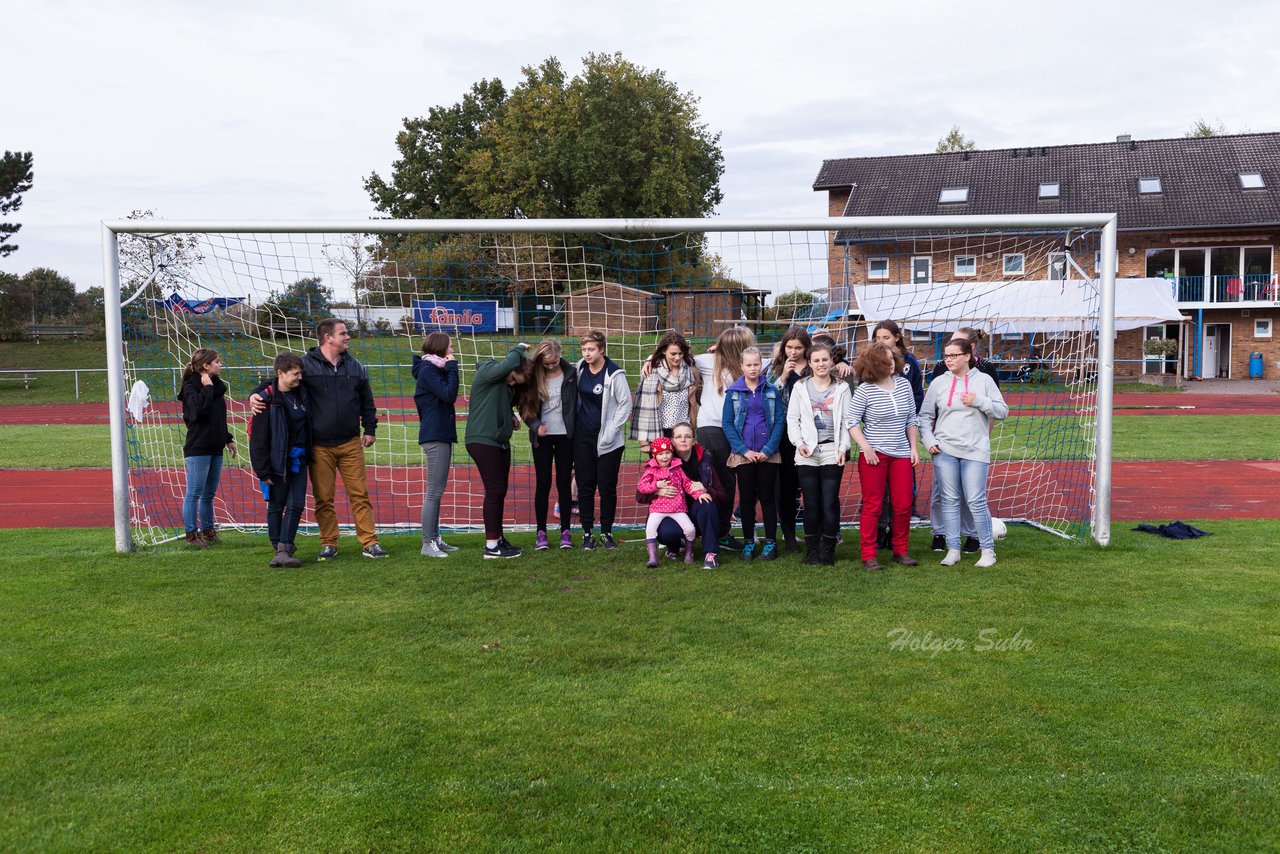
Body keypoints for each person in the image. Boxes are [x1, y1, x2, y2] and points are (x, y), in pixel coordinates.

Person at [248, 318, 387, 560]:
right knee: (323, 498)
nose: (348, 337)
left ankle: (369, 542)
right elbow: (278, 381)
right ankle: (329, 543)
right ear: (328, 337)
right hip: (319, 445)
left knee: (360, 495)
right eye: (343, 333)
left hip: (351, 442)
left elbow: (367, 401)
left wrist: (370, 428)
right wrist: (255, 394)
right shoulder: (306, 365)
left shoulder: (356, 367)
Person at [919, 337, 1009, 568]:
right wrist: (929, 439)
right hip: (945, 451)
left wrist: (979, 400)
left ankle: (987, 550)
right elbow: (925, 416)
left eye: (954, 355)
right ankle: (953, 549)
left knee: (976, 500)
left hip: (975, 450)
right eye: (946, 356)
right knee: (949, 500)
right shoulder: (939, 383)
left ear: (967, 356)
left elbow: (1001, 411)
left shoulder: (985, 380)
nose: (948, 360)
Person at [848, 342, 921, 570]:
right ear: (873, 364)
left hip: (900, 454)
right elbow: (852, 423)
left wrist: (914, 447)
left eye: (892, 359)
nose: (890, 364)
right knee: (873, 506)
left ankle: (900, 550)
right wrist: (867, 448)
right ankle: (869, 554)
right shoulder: (864, 390)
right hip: (874, 456)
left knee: (903, 504)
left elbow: (911, 419)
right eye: (884, 361)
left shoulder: (904, 386)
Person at [786, 343, 853, 566]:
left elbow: (846, 422)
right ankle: (812, 549)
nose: (821, 364)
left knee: (829, 501)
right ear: (811, 362)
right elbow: (792, 419)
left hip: (832, 450)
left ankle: (828, 549)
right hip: (807, 451)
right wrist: (799, 443)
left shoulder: (842, 388)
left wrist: (843, 448)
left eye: (825, 360)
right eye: (816, 360)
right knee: (811, 502)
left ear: (831, 361)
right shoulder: (801, 387)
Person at [689, 326, 756, 550]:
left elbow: (778, 354)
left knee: (739, 483)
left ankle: (723, 530)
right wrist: (652, 359)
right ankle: (714, 531)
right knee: (717, 481)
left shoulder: (754, 364)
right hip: (712, 429)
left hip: (741, 430)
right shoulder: (708, 361)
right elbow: (676, 352)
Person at [466, 342, 532, 559]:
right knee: (494, 490)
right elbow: (512, 361)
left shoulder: (504, 385)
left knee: (499, 490)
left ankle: (498, 539)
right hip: (483, 440)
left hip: (498, 441)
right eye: (513, 378)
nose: (512, 382)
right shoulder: (488, 371)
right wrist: (520, 347)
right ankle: (491, 546)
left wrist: (510, 415)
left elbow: (498, 401)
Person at [722, 345, 785, 560]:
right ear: (741, 366)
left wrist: (768, 449)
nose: (752, 368)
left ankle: (770, 543)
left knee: (767, 498)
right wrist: (744, 450)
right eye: (748, 365)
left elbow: (779, 422)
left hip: (768, 454)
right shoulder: (733, 392)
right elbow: (727, 424)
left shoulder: (771, 390)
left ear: (761, 364)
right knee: (747, 499)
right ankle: (749, 542)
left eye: (756, 364)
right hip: (744, 455)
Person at [249, 353, 311, 568]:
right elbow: (257, 440)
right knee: (276, 505)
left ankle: (284, 549)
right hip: (276, 460)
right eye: (295, 374)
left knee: (296, 504)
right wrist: (262, 471)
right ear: (280, 374)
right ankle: (279, 549)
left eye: (300, 373)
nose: (299, 378)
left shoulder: (301, 393)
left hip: (299, 458)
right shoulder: (265, 401)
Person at [573, 330, 632, 551]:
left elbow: (625, 404)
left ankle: (607, 532)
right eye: (584, 349)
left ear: (602, 350)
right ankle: (587, 533)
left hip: (608, 440)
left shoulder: (614, 373)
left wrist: (611, 430)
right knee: (585, 486)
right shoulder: (580, 368)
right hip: (583, 437)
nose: (587, 353)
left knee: (607, 487)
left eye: (591, 349)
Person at [639, 422, 727, 569]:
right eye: (679, 436)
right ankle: (673, 546)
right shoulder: (660, 461)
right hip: (671, 510)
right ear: (672, 441)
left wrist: (706, 489)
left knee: (707, 504)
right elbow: (640, 495)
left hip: (695, 513)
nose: (683, 440)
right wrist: (657, 491)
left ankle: (711, 553)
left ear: (694, 440)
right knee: (667, 533)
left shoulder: (705, 460)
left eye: (687, 436)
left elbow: (722, 495)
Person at [518, 339, 577, 550]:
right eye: (547, 363)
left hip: (566, 437)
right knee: (543, 484)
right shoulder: (533, 377)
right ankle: (541, 532)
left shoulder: (572, 373)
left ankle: (565, 531)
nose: (551, 366)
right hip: (542, 438)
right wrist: (535, 426)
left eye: (554, 362)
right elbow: (524, 408)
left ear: (560, 355)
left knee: (564, 484)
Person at [871, 320, 925, 549]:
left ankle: (903, 518)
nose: (881, 341)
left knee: (902, 478)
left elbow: (916, 394)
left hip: (903, 428)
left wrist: (911, 423)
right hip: (879, 434)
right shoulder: (872, 361)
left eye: (885, 337)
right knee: (879, 484)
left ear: (896, 337)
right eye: (877, 338)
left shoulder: (909, 362)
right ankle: (881, 529)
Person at [178, 348, 235, 547]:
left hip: (215, 447)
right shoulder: (191, 388)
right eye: (217, 361)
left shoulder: (216, 386)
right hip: (198, 448)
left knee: (209, 494)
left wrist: (228, 438)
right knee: (194, 493)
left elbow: (219, 416)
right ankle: (191, 535)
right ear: (206, 366)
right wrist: (208, 389)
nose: (220, 364)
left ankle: (209, 531)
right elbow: (197, 413)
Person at [412, 332, 460, 558]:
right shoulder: (429, 370)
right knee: (433, 491)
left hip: (440, 433)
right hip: (435, 435)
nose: (452, 349)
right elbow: (449, 394)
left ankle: (434, 537)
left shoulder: (433, 369)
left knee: (437, 491)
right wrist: (453, 368)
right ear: (441, 348)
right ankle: (426, 543)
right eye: (450, 346)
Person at [768, 326, 811, 554]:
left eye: (798, 348)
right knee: (785, 488)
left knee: (810, 485)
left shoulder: (815, 367)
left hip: (811, 434)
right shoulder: (775, 368)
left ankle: (817, 533)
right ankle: (789, 535)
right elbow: (767, 396)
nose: (793, 352)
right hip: (784, 435)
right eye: (789, 347)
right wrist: (784, 375)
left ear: (806, 348)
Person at [630, 332, 701, 452]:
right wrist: (643, 441)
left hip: (683, 430)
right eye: (673, 354)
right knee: (662, 470)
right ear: (664, 351)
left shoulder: (690, 370)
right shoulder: (651, 371)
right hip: (659, 431)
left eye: (680, 353)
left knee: (684, 470)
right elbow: (643, 406)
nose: (677, 358)